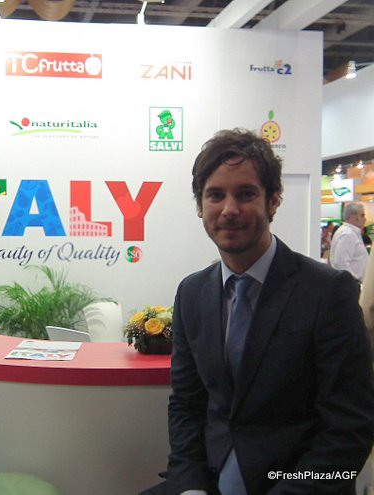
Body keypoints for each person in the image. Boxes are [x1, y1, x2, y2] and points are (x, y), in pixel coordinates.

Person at [142, 129, 374, 495]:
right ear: (200, 205)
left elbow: (350, 427)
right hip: (210, 482)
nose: (229, 209)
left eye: (246, 194)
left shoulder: (327, 292)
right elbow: (186, 405)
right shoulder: (192, 293)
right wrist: (190, 486)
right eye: (215, 195)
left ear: (274, 201)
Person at [329, 203, 369, 282]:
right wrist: (352, 282)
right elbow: (340, 264)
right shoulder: (348, 234)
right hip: (351, 283)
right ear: (352, 217)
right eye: (362, 215)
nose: (365, 219)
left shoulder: (349, 232)